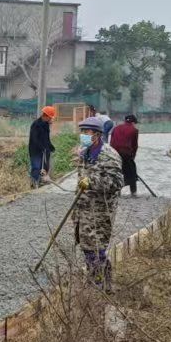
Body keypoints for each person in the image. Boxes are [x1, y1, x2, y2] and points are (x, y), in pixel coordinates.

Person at [71, 117, 124, 286]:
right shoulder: (85, 152)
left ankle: (101, 284)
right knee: (86, 246)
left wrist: (92, 182)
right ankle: (95, 281)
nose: (83, 135)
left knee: (96, 247)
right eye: (82, 131)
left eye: (87, 132)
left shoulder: (108, 155)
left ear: (97, 134)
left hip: (100, 211)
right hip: (83, 210)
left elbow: (116, 182)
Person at [110, 113, 141, 196]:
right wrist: (133, 157)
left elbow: (111, 142)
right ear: (133, 122)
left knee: (117, 172)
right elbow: (134, 146)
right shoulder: (134, 130)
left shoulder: (116, 128)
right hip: (126, 153)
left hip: (114, 153)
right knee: (132, 172)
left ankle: (117, 191)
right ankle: (133, 192)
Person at [27, 105, 57, 187]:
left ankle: (41, 182)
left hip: (45, 150)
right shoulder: (35, 125)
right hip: (35, 150)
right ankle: (34, 184)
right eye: (50, 117)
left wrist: (50, 146)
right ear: (46, 116)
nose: (51, 119)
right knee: (36, 167)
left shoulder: (46, 125)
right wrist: (41, 147)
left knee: (44, 167)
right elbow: (34, 139)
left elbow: (47, 138)